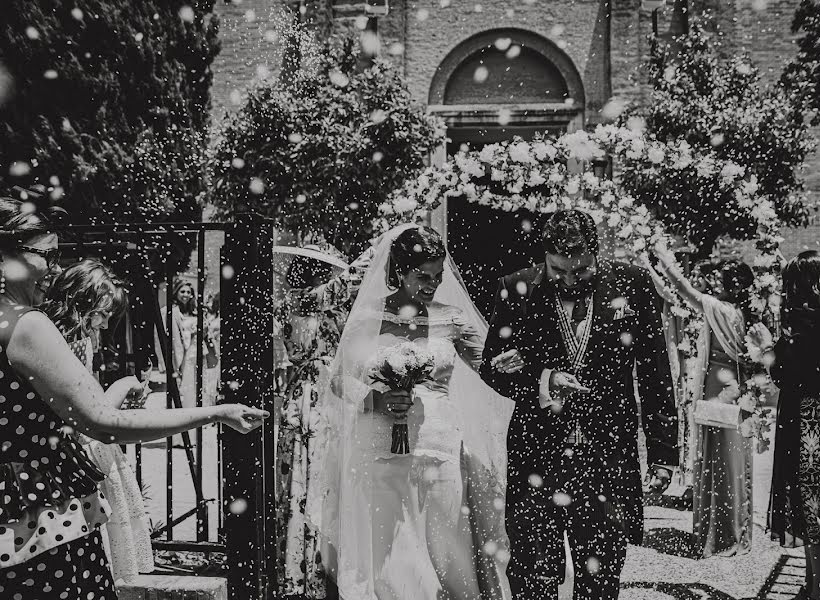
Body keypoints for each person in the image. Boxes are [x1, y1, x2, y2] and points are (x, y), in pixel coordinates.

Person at [0, 196, 268, 599]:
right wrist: (216, 413)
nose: (55, 271)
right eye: (46, 256)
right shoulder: (27, 326)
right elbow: (105, 422)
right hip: (37, 514)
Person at [481, 209, 678, 599]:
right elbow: (492, 368)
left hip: (606, 457)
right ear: (545, 257)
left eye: (581, 271)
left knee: (601, 575)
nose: (570, 280)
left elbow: (656, 373)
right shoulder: (516, 287)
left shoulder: (634, 285)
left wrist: (663, 452)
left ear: (595, 252)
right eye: (558, 271)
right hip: (536, 454)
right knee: (532, 574)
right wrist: (543, 380)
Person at [310, 224, 514, 600]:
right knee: (390, 549)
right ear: (399, 271)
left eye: (437, 276)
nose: (431, 285)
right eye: (422, 276)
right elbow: (339, 380)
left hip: (439, 444)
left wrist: (512, 363)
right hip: (377, 445)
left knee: (447, 545)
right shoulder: (368, 318)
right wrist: (376, 399)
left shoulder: (451, 318)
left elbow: (489, 365)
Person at [40, 259, 155, 583]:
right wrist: (123, 386)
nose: (105, 324)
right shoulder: (74, 341)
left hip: (59, 450)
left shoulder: (52, 333)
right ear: (80, 301)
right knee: (98, 547)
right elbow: (89, 415)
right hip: (80, 452)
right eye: (102, 313)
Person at [748, 251, 820, 600]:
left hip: (811, 421)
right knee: (814, 501)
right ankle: (815, 586)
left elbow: (796, 375)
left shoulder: (808, 322)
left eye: (790, 282)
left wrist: (766, 350)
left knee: (815, 503)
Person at [650, 251, 755, 558]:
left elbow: (684, 290)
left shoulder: (719, 309)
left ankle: (718, 535)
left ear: (732, 284)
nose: (713, 279)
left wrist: (664, 259)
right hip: (737, 389)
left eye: (719, 276)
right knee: (735, 465)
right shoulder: (746, 312)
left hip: (717, 390)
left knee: (717, 462)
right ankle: (736, 528)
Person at [275, 250, 345, 599]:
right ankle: (309, 567)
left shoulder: (308, 306)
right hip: (315, 395)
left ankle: (315, 563)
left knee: (314, 480)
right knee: (311, 479)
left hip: (316, 393)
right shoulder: (304, 302)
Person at [162, 277, 199, 408]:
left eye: (189, 292)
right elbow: (161, 336)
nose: (186, 295)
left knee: (196, 386)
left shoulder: (196, 311)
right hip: (178, 353)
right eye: (182, 291)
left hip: (195, 354)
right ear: (176, 292)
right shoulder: (169, 311)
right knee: (179, 387)